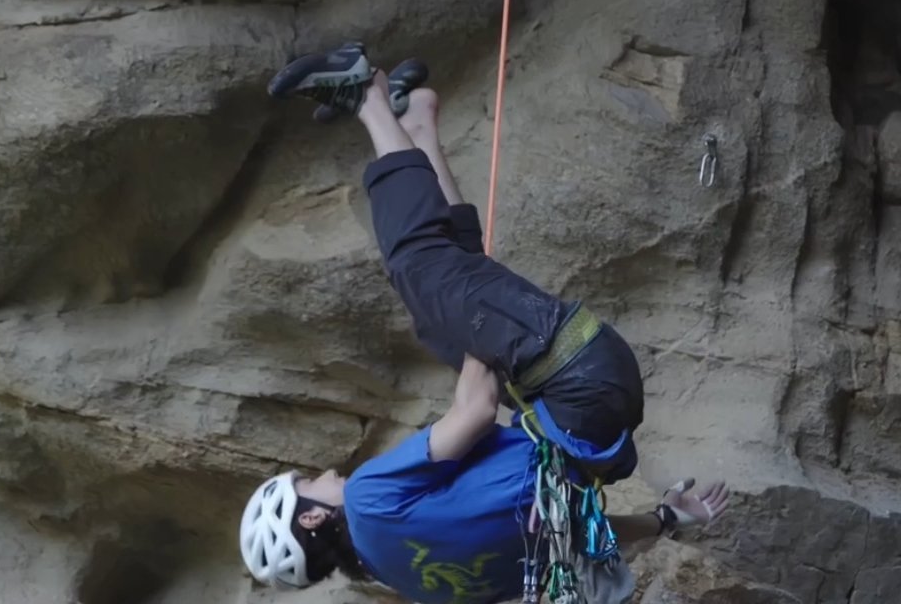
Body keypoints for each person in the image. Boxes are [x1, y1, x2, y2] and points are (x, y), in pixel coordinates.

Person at [239, 43, 730, 604]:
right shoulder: (368, 500)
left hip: (600, 396)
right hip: (570, 370)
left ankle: (417, 124)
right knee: (421, 268)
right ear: (310, 520)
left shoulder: (434, 590)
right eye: (308, 483)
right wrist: (480, 333)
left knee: (442, 314)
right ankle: (366, 95)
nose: (323, 472)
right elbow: (474, 412)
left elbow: (580, 539)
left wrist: (665, 518)